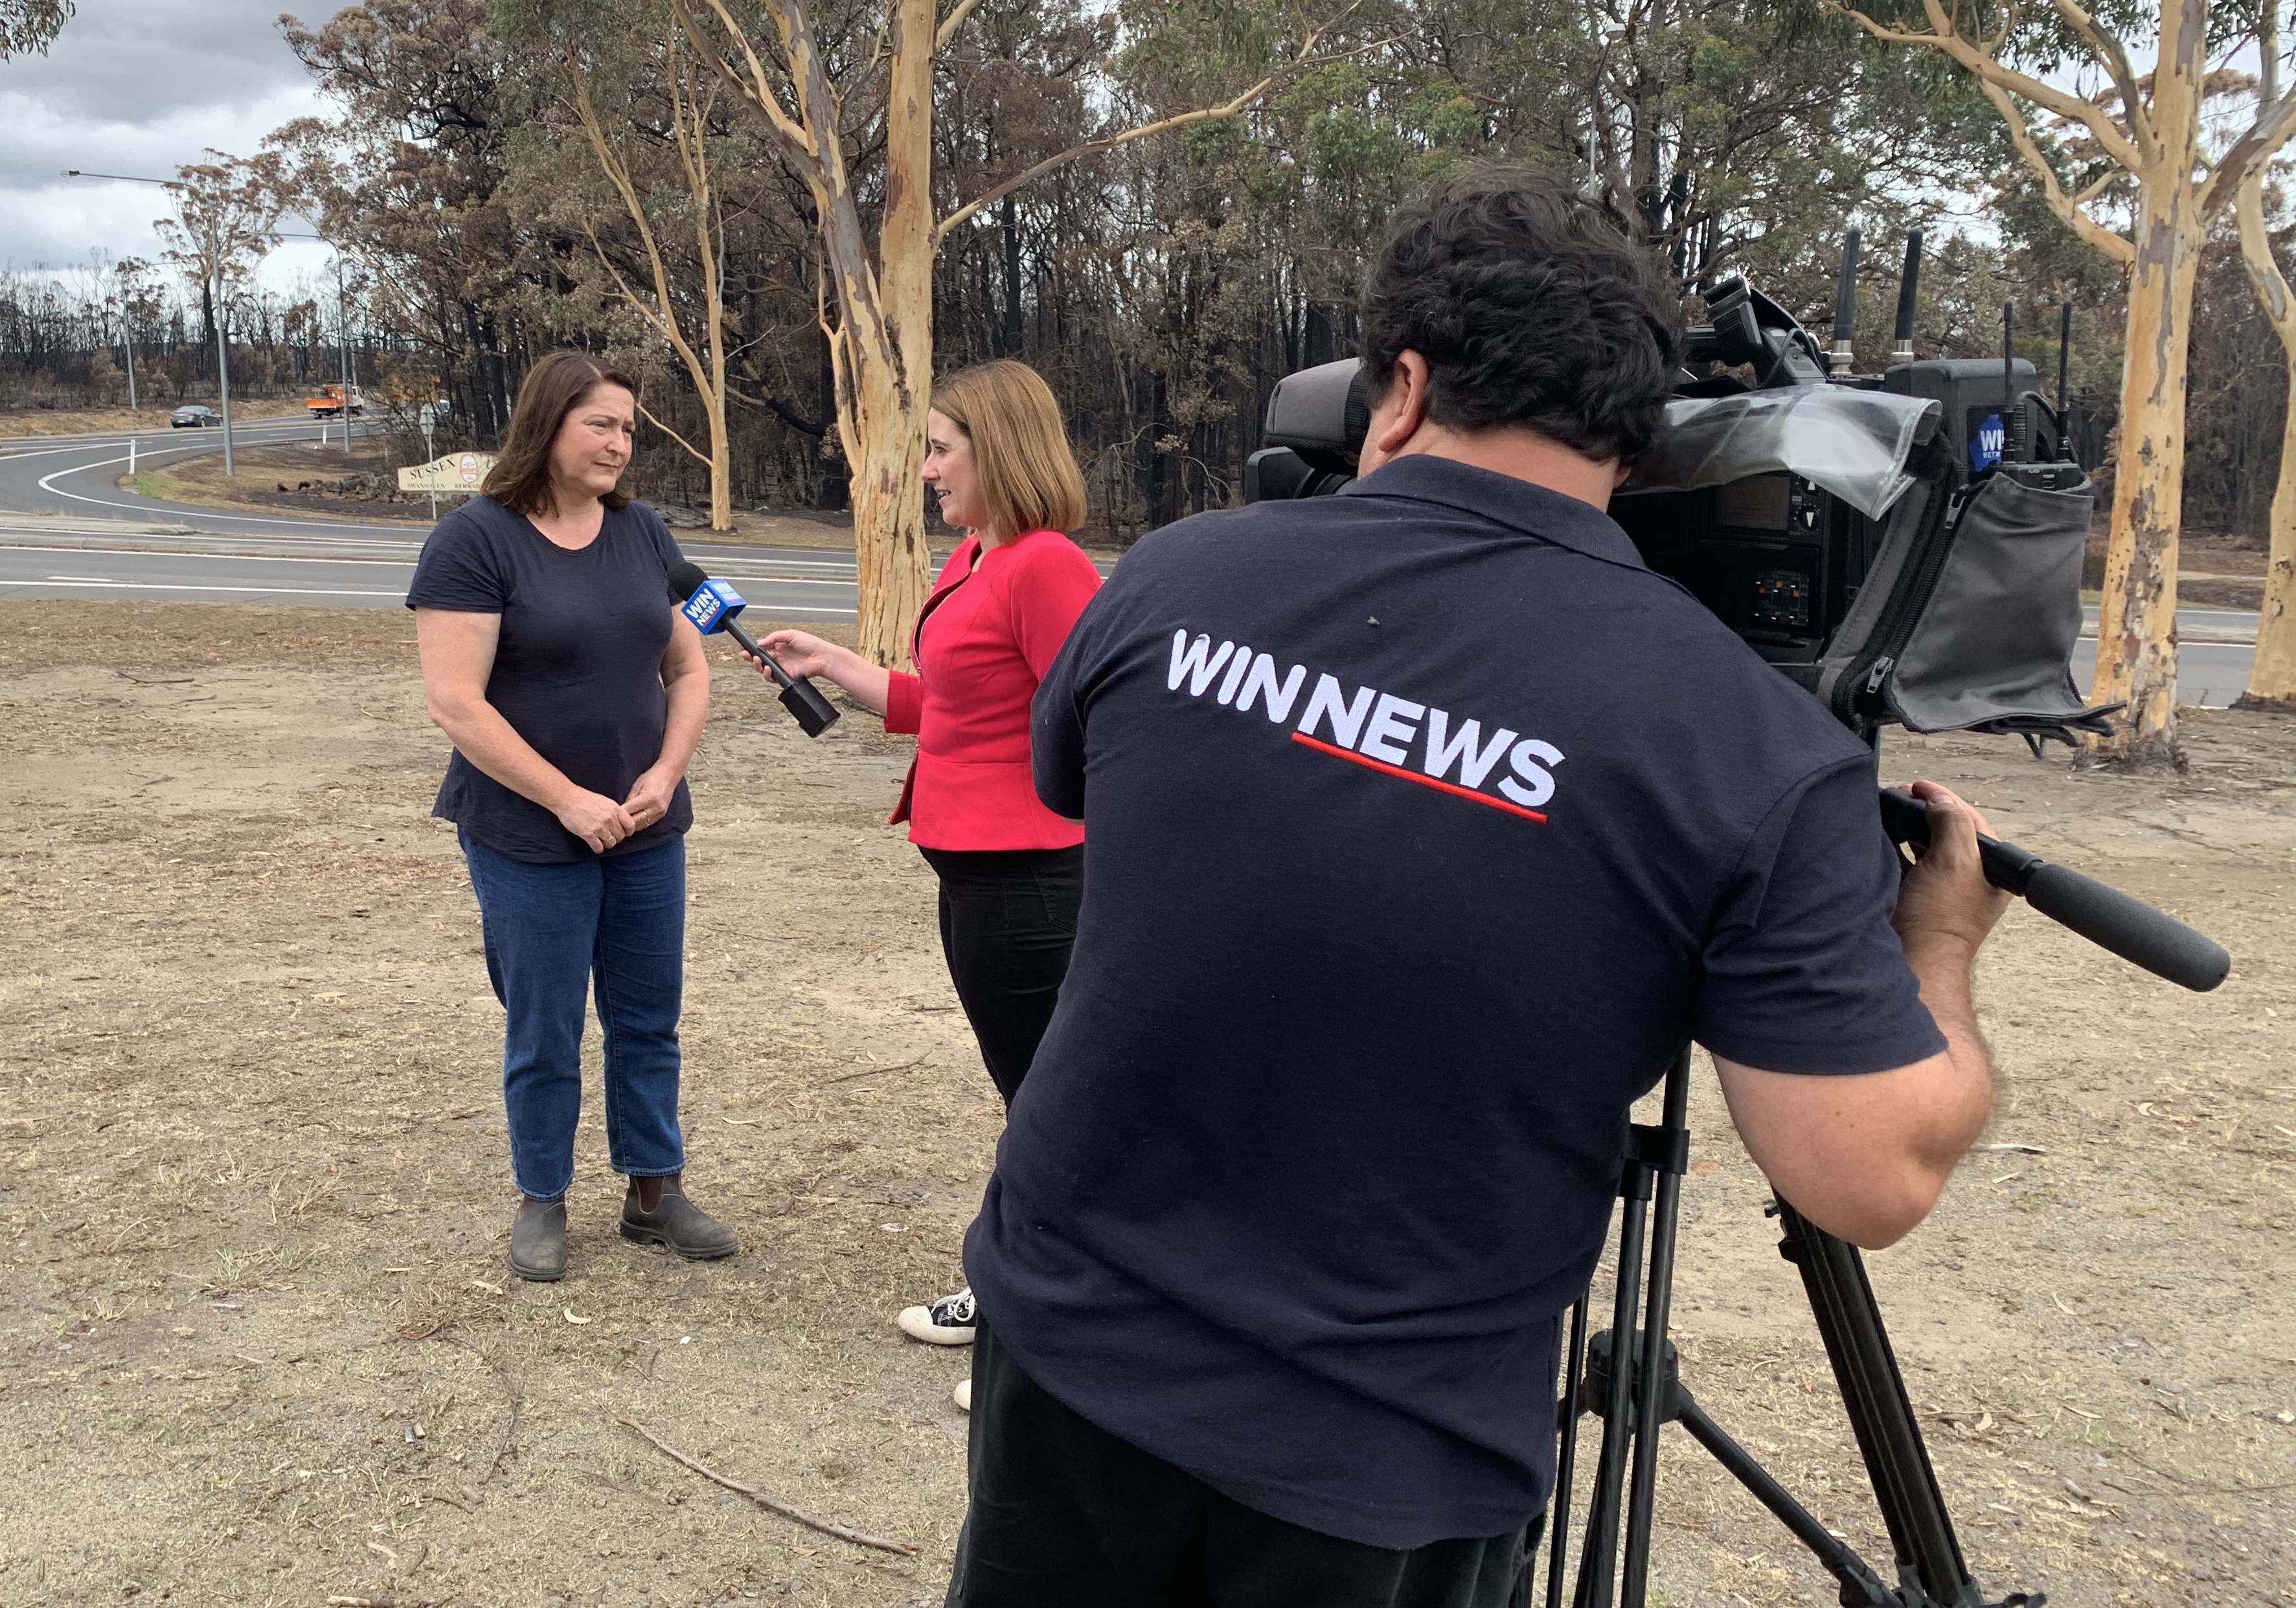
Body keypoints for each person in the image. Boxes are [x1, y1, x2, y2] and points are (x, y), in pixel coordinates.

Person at [944, 171, 2011, 1607]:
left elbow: (1077, 786)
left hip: (1068, 1356)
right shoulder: (1747, 744)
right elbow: (1868, 1174)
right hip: (1382, 1451)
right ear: (1641, 444)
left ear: (1402, 383)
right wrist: (1937, 943)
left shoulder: (1175, 575)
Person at [748, 360, 1100, 1374]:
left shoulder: (1042, 566)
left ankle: (1049, 1339)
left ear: (1001, 451)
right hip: (973, 876)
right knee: (1022, 1095)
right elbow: (941, 706)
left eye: (942, 450)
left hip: (1032, 881)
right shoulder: (976, 558)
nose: (929, 471)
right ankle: (1012, 1294)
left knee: (1046, 1106)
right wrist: (834, 664)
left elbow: (1097, 720)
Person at [409, 351, 737, 1284]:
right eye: (601, 423)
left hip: (644, 828)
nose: (620, 443)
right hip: (526, 833)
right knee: (545, 1025)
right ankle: (542, 1197)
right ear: (548, 424)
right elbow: (456, 703)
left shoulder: (643, 536)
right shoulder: (474, 541)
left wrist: (666, 774)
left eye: (629, 428)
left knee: (648, 1020)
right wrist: (566, 799)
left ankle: (653, 1192)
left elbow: (687, 668)